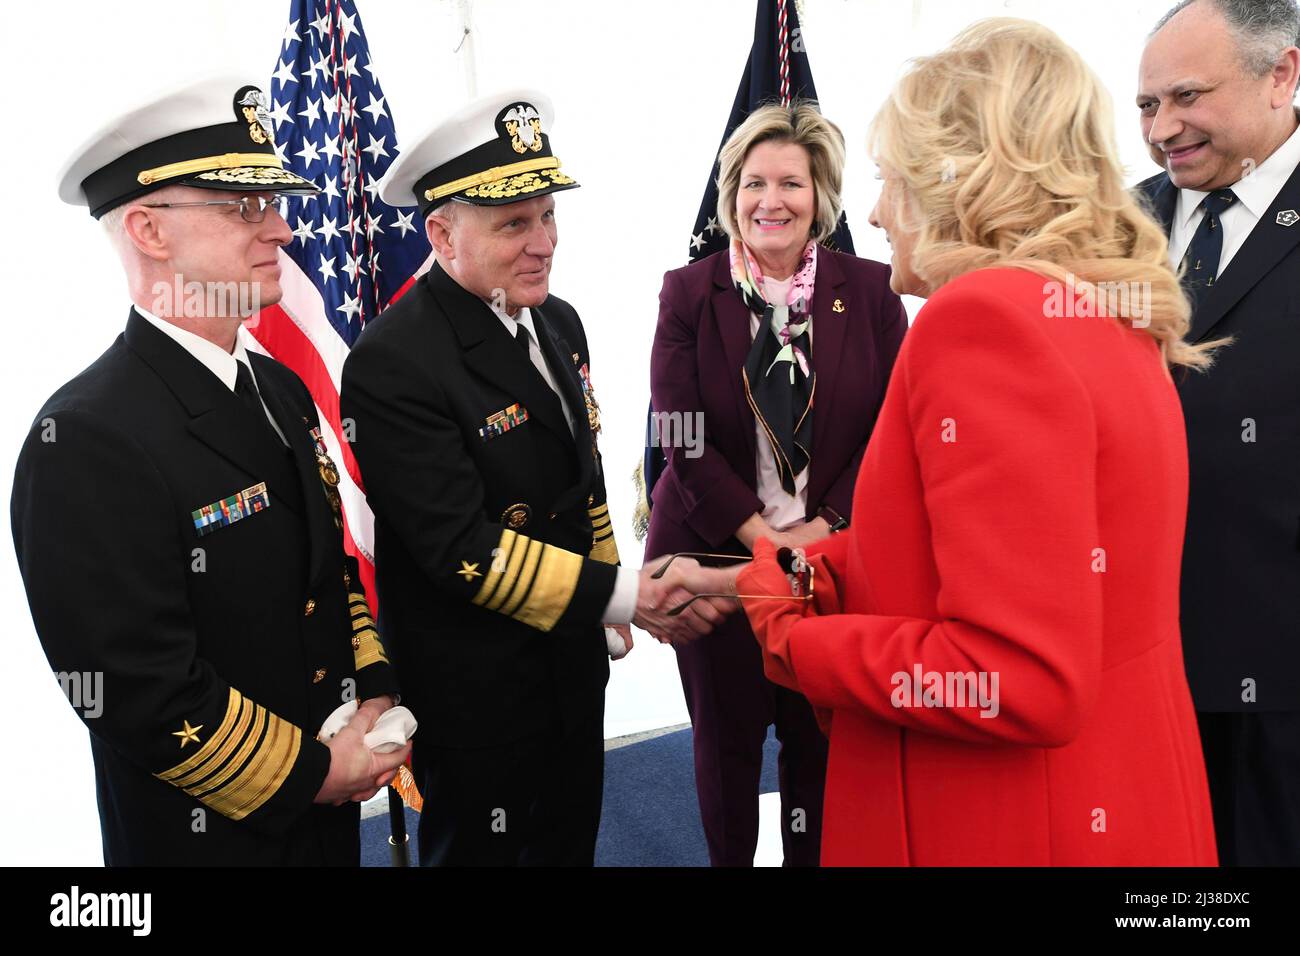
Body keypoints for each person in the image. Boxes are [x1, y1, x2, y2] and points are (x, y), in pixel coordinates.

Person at [681, 18, 1221, 866]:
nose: (874, 210)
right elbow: (1007, 554)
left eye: (893, 177)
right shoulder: (1105, 311)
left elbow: (1016, 676)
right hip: (1114, 796)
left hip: (991, 820)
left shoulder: (983, 322)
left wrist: (797, 638)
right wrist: (812, 571)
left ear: (957, 179)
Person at [11, 76, 408, 866]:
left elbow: (330, 576)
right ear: (149, 230)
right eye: (244, 207)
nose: (285, 230)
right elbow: (134, 689)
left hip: (325, 819)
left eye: (274, 204)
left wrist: (374, 695)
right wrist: (316, 772)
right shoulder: (84, 437)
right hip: (208, 839)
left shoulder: (281, 388)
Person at [341, 89, 724, 867]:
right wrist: (623, 597)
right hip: (477, 694)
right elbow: (460, 547)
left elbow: (577, 483)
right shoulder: (393, 362)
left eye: (548, 215)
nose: (544, 242)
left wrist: (608, 590)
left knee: (567, 844)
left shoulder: (559, 321)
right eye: (515, 223)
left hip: (569, 665)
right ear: (442, 233)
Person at [645, 101, 906, 866]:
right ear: (730, 195)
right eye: (753, 182)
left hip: (832, 555)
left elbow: (896, 425)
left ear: (820, 194)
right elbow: (680, 438)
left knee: (817, 740)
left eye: (790, 182)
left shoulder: (872, 289)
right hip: (714, 557)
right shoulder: (688, 293)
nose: (771, 200)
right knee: (726, 749)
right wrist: (766, 548)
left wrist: (819, 535)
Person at [1136, 0, 1300, 866]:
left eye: (1186, 97)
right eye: (1146, 107)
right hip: (1145, 662)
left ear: (1282, 74)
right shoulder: (1122, 224)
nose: (1163, 129)